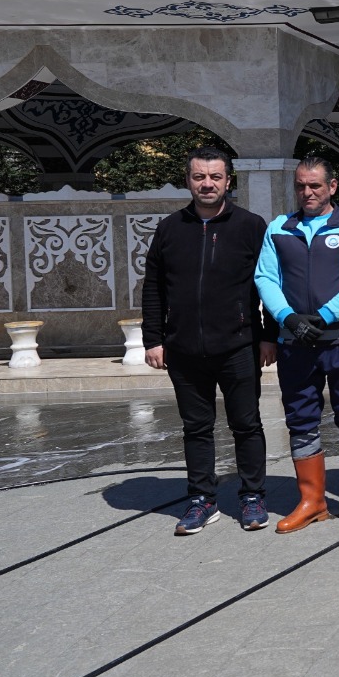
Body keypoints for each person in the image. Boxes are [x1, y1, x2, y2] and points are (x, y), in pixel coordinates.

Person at [142, 146, 276, 534]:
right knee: (196, 428)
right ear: (188, 180)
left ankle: (252, 497)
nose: (207, 184)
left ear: (228, 181)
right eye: (199, 176)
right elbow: (154, 287)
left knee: (246, 424)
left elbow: (269, 284)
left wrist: (269, 336)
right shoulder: (170, 228)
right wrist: (153, 339)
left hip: (238, 346)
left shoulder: (251, 226)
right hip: (184, 349)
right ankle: (202, 499)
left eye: (215, 177)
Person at [254, 156, 339, 533]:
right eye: (300, 186)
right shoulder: (279, 228)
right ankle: (312, 501)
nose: (307, 192)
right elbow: (265, 278)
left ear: (332, 187)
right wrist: (288, 318)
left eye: (315, 186)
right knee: (301, 420)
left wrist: (324, 316)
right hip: (295, 343)